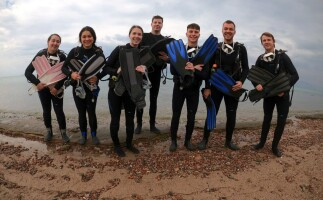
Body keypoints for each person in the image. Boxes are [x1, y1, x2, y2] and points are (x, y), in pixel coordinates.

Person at [198, 20, 249, 151]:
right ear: (222, 31)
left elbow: (246, 68)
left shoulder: (241, 49)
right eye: (226, 29)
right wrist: (207, 87)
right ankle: (205, 139)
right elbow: (208, 68)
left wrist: (241, 81)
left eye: (231, 29)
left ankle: (228, 141)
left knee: (231, 114)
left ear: (234, 32)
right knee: (212, 112)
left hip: (233, 87)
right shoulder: (216, 48)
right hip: (216, 86)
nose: (228, 31)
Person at [98, 25, 146, 157]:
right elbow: (106, 68)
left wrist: (145, 70)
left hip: (132, 91)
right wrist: (116, 70)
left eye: (139, 34)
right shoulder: (120, 49)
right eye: (134, 33)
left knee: (130, 119)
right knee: (115, 119)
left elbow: (150, 71)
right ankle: (117, 145)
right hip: (116, 90)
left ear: (142, 37)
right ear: (129, 35)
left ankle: (129, 144)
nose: (136, 36)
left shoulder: (143, 52)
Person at [252, 32, 299, 157]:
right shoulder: (261, 59)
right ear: (262, 43)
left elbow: (295, 75)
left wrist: (284, 89)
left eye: (268, 40)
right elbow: (254, 75)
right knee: (266, 119)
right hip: (268, 96)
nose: (266, 42)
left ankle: (274, 146)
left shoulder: (282, 56)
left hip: (282, 96)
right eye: (264, 40)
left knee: (281, 121)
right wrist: (256, 85)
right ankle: (261, 143)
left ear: (274, 41)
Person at [169, 23, 209, 152]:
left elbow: (205, 74)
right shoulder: (179, 51)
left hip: (194, 89)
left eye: (196, 32)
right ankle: (173, 141)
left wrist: (195, 70)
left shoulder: (203, 53)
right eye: (191, 31)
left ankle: (187, 141)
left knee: (191, 116)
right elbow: (172, 71)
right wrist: (187, 68)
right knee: (176, 115)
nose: (193, 34)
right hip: (179, 87)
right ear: (186, 34)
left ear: (199, 34)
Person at [61, 26, 104, 145]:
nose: (87, 39)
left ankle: (94, 135)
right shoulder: (75, 52)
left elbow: (103, 68)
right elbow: (63, 68)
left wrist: (97, 77)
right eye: (84, 36)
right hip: (78, 87)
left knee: (91, 112)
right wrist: (71, 74)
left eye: (89, 36)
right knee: (81, 113)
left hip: (92, 88)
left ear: (93, 38)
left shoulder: (98, 52)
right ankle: (84, 135)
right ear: (80, 38)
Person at [25, 33, 70, 143]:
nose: (55, 43)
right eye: (53, 40)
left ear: (60, 43)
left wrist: (57, 87)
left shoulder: (62, 57)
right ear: (48, 42)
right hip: (43, 88)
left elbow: (66, 75)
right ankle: (49, 131)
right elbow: (27, 72)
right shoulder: (41, 55)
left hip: (57, 88)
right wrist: (37, 83)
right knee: (46, 110)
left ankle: (63, 132)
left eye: (58, 41)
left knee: (59, 110)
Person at [135, 15, 168, 134]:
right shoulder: (144, 37)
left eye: (159, 22)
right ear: (151, 24)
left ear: (162, 25)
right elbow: (136, 53)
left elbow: (167, 58)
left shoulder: (164, 40)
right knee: (140, 98)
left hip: (156, 73)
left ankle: (152, 125)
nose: (157, 24)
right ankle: (138, 124)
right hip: (142, 73)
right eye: (155, 22)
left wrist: (167, 59)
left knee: (154, 100)